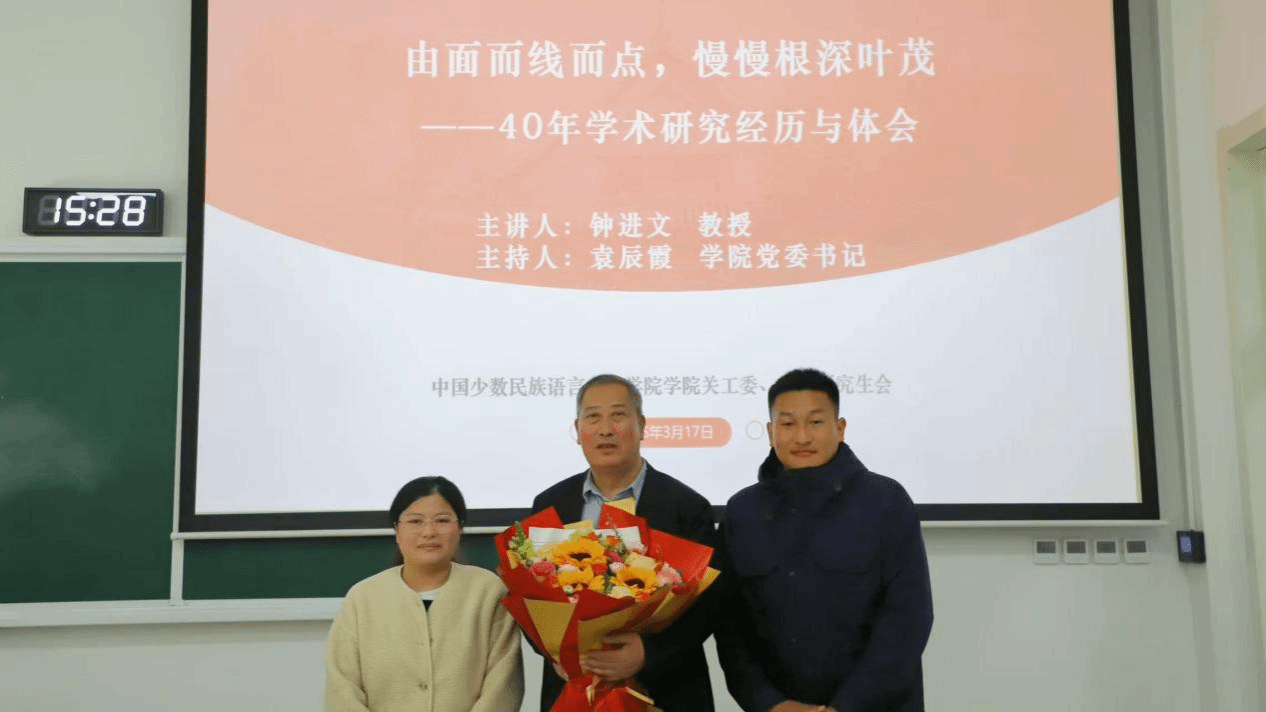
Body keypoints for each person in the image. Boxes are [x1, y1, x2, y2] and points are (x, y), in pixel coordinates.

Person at [715, 368, 934, 712]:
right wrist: (770, 703)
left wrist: (845, 707)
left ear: (840, 428)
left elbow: (908, 618)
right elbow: (730, 625)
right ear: (770, 432)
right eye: (788, 424)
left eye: (816, 422)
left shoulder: (886, 499)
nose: (802, 437)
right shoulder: (742, 510)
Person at [529, 374, 717, 711]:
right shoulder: (550, 505)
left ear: (641, 425)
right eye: (593, 417)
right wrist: (555, 652)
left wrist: (647, 652)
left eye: (618, 415)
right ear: (578, 429)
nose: (605, 429)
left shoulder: (687, 507)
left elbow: (710, 607)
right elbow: (531, 596)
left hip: (665, 692)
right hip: (572, 693)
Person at [325, 476, 524, 712]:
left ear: (459, 528)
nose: (429, 532)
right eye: (415, 521)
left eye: (442, 520)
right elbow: (342, 689)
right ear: (397, 530)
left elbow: (502, 686)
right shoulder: (363, 598)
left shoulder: (487, 591)